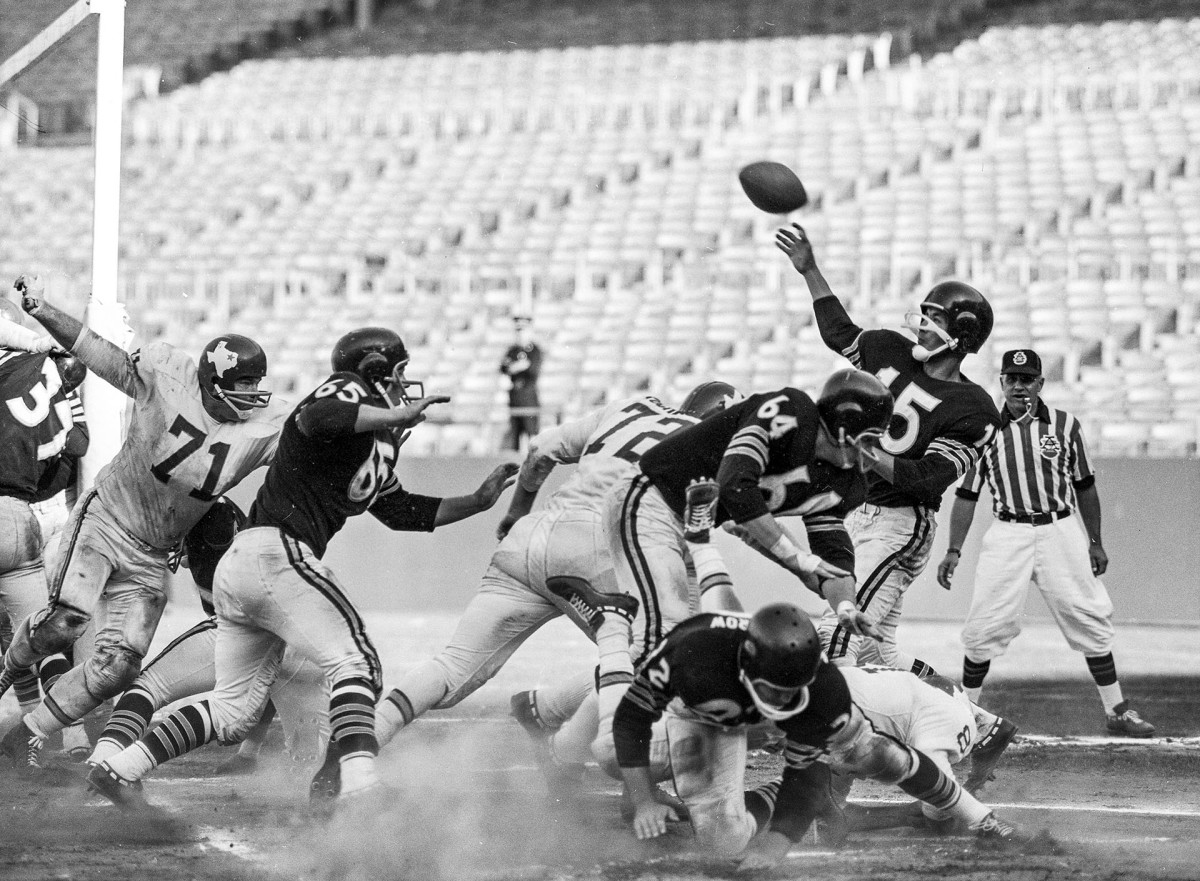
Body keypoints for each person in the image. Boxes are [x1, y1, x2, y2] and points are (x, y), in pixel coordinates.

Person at [87, 327, 518, 809]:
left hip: (250, 564)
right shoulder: (346, 392)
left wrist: (477, 502)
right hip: (277, 553)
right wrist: (396, 412)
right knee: (357, 661)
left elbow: (404, 513)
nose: (404, 383)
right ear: (375, 369)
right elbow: (316, 416)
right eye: (397, 372)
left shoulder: (373, 442)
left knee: (234, 709)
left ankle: (122, 767)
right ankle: (356, 785)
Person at [538, 369, 895, 780]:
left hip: (694, 525)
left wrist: (845, 604)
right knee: (663, 643)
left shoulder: (842, 482)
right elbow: (733, 484)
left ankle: (569, 746)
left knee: (686, 642)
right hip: (651, 499)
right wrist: (796, 560)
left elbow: (833, 557)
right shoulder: (791, 412)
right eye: (871, 437)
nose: (875, 451)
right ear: (845, 425)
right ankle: (619, 759)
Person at [0, 273, 290, 776]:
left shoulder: (263, 430)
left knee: (118, 669)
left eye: (255, 386)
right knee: (67, 621)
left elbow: (313, 440)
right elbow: (100, 354)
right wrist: (44, 311)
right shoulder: (167, 372)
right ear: (213, 380)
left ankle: (27, 732)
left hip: (154, 554)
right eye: (243, 385)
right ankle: (7, 670)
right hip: (106, 521)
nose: (253, 396)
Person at [369, 383, 739, 775]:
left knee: (453, 666)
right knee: (660, 663)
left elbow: (540, 450)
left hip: (533, 536)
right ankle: (572, 748)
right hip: (607, 546)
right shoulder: (713, 449)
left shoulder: (629, 406)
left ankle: (360, 743)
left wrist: (517, 512)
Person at [613, 603, 1019, 871]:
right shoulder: (693, 653)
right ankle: (611, 627)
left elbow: (806, 776)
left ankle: (980, 818)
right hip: (704, 718)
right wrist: (643, 798)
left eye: (796, 689)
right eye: (776, 690)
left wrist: (777, 841)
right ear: (748, 666)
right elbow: (630, 718)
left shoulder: (821, 691)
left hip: (769, 716)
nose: (787, 700)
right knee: (610, 756)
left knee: (877, 756)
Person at [776, 225, 1001, 678]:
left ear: (960, 335)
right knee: (881, 656)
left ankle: (831, 739)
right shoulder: (888, 349)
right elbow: (839, 332)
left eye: (934, 318)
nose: (921, 323)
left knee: (838, 633)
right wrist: (810, 270)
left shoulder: (974, 408)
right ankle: (976, 722)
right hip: (859, 511)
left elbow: (927, 479)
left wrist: (863, 448)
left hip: (901, 521)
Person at [936, 348, 1155, 737]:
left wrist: (1095, 541)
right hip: (1008, 532)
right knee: (986, 621)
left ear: (1040, 382)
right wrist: (953, 549)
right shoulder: (985, 431)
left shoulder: (1065, 426)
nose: (1019, 386)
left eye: (1027, 379)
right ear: (1001, 382)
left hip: (1060, 528)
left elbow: (1085, 485)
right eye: (1011, 379)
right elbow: (967, 496)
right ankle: (967, 712)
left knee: (1087, 613)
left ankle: (1117, 709)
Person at [0, 343, 86, 738]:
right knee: (36, 639)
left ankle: (33, 725)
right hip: (21, 513)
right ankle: (56, 732)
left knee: (14, 638)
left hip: (34, 508)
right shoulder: (45, 370)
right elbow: (78, 441)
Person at [499, 314, 543, 452]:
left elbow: (532, 370)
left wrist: (516, 367)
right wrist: (519, 366)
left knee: (532, 435)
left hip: (528, 397)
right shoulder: (512, 350)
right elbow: (504, 368)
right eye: (518, 330)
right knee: (515, 437)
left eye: (523, 330)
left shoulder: (534, 350)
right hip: (515, 397)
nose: (520, 333)